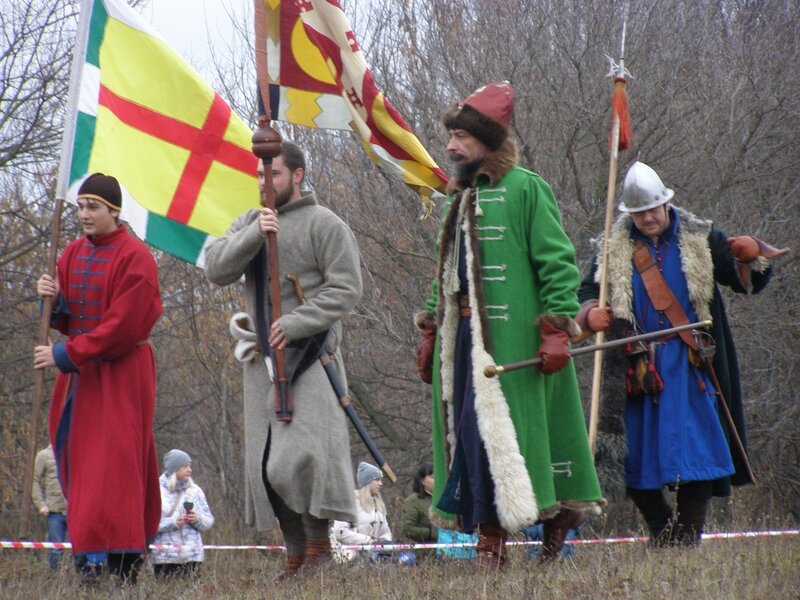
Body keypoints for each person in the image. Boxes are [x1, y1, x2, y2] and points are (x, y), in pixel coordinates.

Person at [415, 81, 605, 570]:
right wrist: (431, 329)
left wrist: (555, 328)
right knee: (472, 438)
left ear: (488, 141)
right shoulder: (455, 199)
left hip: (517, 342)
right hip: (464, 343)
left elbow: (559, 265)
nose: (451, 145)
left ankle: (527, 537)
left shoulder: (527, 188)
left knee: (520, 438)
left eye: (460, 136)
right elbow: (445, 273)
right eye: (451, 135)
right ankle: (491, 542)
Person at [577, 161, 785, 546]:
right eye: (639, 213)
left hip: (691, 364)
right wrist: (591, 313)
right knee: (630, 456)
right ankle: (661, 530)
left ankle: (687, 537)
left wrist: (750, 256)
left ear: (667, 204)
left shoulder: (701, 238)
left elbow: (746, 281)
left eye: (652, 210)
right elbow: (587, 292)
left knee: (698, 453)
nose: (648, 218)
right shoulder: (611, 248)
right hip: (636, 367)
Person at [205, 142, 363, 578]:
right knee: (267, 465)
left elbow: (346, 289)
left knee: (301, 459)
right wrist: (257, 233)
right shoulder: (248, 223)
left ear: (297, 175)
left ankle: (319, 551)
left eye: (273, 175)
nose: (264, 184)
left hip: (311, 360)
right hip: (261, 364)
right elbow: (216, 268)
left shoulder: (325, 224)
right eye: (259, 176)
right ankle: (296, 556)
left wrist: (296, 323)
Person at [34, 173, 162, 583]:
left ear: (114, 211)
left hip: (122, 372)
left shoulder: (136, 257)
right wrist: (50, 301)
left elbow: (122, 327)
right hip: (81, 375)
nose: (85, 214)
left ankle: (124, 562)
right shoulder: (70, 252)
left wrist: (65, 353)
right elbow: (68, 318)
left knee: (118, 461)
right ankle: (88, 560)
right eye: (81, 206)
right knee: (78, 459)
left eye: (93, 207)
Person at [151, 449, 214, 578]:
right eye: (185, 466)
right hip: (165, 558)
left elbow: (209, 520)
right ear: (174, 469)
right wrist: (172, 523)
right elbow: (148, 524)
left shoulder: (195, 490)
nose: (190, 470)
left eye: (190, 466)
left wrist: (196, 519)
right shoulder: (155, 490)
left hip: (193, 557)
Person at [332, 462, 395, 563]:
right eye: (377, 480)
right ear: (368, 481)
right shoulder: (348, 503)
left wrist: (384, 542)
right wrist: (368, 541)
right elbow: (340, 532)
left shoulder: (378, 505)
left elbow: (385, 530)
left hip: (377, 561)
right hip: (353, 563)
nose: (381, 484)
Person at [32, 444, 67, 571]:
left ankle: (82, 582)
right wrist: (40, 504)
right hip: (54, 511)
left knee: (80, 549)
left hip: (75, 511)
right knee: (56, 550)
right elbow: (34, 480)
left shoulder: (75, 451)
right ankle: (55, 581)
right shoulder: (44, 455)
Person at [399, 462, 437, 544]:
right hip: (426, 553)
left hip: (451, 552)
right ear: (423, 481)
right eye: (433, 477)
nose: (437, 480)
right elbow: (407, 529)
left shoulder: (445, 500)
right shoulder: (414, 501)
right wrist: (432, 533)